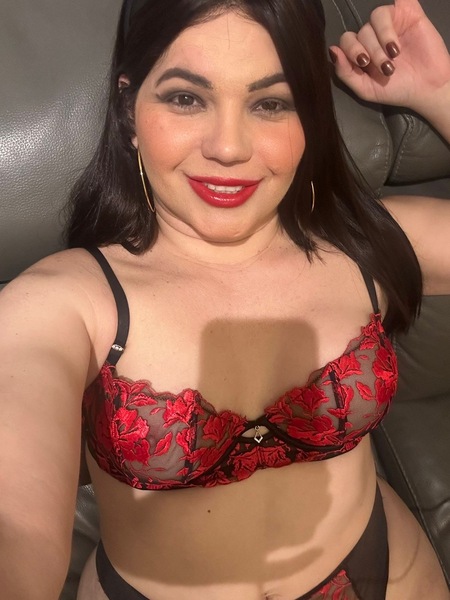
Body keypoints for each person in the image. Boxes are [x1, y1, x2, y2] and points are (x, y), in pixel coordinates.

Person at [0, 0, 449, 598]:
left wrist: (442, 95)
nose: (229, 148)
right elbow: (15, 531)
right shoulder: (63, 304)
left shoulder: (369, 246)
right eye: (187, 98)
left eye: (271, 103)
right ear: (129, 109)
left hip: (387, 573)